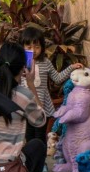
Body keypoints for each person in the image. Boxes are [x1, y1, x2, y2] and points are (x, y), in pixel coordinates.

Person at [0, 42, 48, 172]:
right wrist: (31, 84)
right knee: (38, 145)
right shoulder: (23, 95)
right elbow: (41, 120)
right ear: (22, 68)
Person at [20, 27, 83, 157]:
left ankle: (41, 162)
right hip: (25, 104)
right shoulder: (20, 64)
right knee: (29, 134)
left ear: (42, 47)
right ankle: (30, 160)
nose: (33, 50)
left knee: (40, 134)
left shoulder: (45, 62)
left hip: (42, 104)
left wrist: (71, 68)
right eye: (28, 46)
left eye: (36, 46)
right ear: (22, 47)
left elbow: (57, 78)